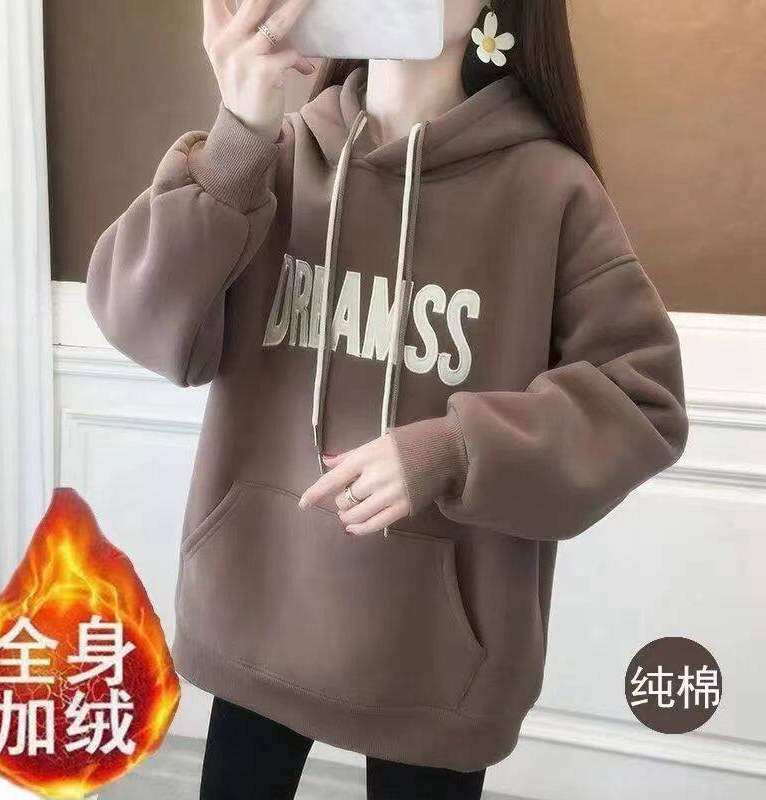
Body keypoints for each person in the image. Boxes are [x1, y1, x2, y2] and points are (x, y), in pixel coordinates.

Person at [86, 0, 689, 797]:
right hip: (259, 608)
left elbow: (641, 397)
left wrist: (451, 450)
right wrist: (238, 133)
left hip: (435, 660)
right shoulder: (269, 157)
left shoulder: (549, 190)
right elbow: (140, 321)